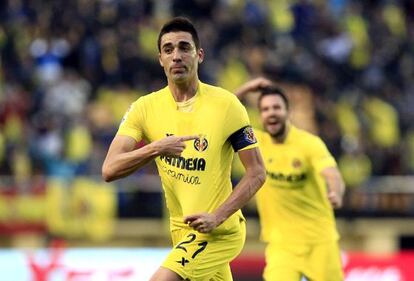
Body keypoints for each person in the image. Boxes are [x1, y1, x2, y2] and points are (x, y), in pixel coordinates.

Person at [102, 17, 266, 281]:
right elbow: (109, 169)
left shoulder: (227, 105)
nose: (176, 56)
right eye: (168, 50)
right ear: (160, 59)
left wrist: (217, 216)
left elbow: (257, 172)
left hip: (219, 231)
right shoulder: (144, 108)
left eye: (184, 48)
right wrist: (155, 148)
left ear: (199, 55)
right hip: (181, 231)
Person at [235, 78, 345, 281]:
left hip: (319, 242)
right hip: (281, 245)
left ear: (288, 112)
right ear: (260, 115)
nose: (272, 113)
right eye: (266, 109)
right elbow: (225, 115)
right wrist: (246, 88)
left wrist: (335, 192)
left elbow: (332, 172)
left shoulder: (309, 143)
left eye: (277, 107)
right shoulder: (256, 142)